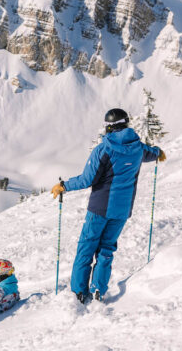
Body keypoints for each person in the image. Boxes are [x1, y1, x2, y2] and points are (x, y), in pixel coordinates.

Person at [51, 108, 165, 304]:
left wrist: (64, 186)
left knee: (86, 247)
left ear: (110, 127)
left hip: (99, 208)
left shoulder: (104, 149)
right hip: (121, 211)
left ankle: (79, 291)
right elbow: (151, 153)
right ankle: (98, 290)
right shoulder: (138, 148)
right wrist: (158, 153)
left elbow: (87, 179)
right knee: (106, 249)